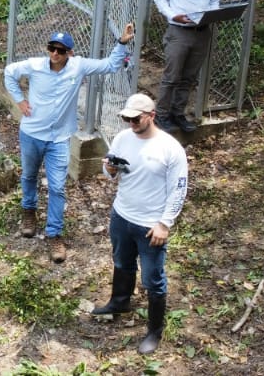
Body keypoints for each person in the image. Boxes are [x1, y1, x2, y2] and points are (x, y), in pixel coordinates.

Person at [5, 22, 136, 263]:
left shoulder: (78, 66)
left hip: (59, 138)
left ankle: (54, 233)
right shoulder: (34, 65)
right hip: (32, 133)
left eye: (61, 50)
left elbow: (109, 65)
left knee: (57, 186)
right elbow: (9, 72)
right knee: (29, 175)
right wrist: (19, 100)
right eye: (52, 48)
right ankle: (29, 212)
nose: (55, 53)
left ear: (70, 53)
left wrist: (122, 43)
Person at [90, 93, 189, 355]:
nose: (131, 122)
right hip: (122, 215)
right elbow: (110, 172)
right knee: (121, 262)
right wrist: (109, 170)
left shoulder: (170, 149)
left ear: (151, 116)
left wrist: (164, 224)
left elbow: (179, 190)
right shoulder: (123, 138)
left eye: (136, 118)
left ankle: (155, 331)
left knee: (152, 279)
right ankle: (119, 302)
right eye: (127, 118)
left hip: (150, 225)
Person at [153, 0, 224, 133]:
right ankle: (161, 115)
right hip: (179, 31)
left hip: (202, 31)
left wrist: (213, 13)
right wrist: (172, 15)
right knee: (172, 76)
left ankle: (178, 113)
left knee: (188, 77)